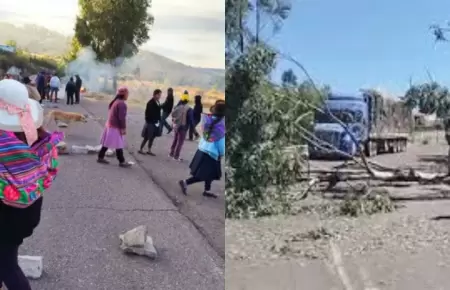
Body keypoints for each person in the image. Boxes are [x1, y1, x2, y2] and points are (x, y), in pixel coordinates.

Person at [0, 79, 63, 290]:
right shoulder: (36, 137)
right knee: (6, 255)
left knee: (7, 265)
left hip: (4, 217)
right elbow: (48, 172)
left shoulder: (3, 144)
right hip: (28, 213)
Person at [178, 100, 225, 198]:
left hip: (202, 149)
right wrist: (222, 153)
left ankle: (207, 190)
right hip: (211, 153)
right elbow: (220, 143)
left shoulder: (208, 119)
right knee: (204, 174)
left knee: (210, 174)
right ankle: (185, 182)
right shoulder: (220, 126)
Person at [97, 87, 132, 167]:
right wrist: (123, 128)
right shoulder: (121, 104)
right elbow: (121, 118)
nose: (128, 96)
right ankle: (122, 161)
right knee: (119, 144)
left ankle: (100, 157)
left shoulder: (116, 101)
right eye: (127, 94)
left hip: (110, 125)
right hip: (115, 126)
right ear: (124, 95)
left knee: (107, 143)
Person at [169, 91, 194, 161]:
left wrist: (176, 119)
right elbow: (191, 120)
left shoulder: (177, 106)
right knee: (180, 142)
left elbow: (173, 114)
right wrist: (193, 129)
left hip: (176, 126)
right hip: (183, 127)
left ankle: (171, 153)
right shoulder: (189, 109)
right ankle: (176, 156)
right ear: (187, 100)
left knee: (175, 139)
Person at [139, 89, 162, 156]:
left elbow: (158, 112)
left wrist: (158, 120)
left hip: (155, 122)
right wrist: (151, 121)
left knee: (152, 137)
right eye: (159, 95)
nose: (160, 96)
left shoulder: (157, 101)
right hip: (150, 122)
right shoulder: (150, 103)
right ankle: (141, 149)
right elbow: (148, 114)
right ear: (155, 94)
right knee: (146, 137)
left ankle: (149, 150)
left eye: (160, 95)